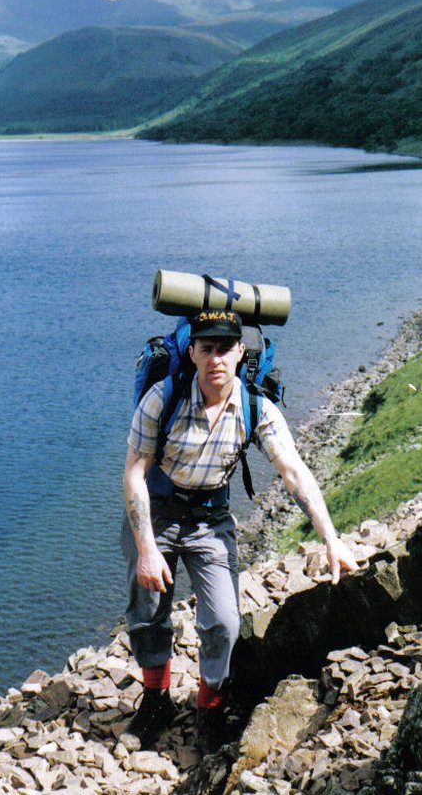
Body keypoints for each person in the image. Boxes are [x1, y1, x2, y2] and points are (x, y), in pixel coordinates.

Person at [121, 308, 358, 752]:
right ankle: (155, 699)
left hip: (210, 517)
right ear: (190, 352)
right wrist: (147, 549)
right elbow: (134, 474)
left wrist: (331, 538)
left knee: (225, 622)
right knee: (148, 606)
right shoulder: (162, 397)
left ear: (240, 351)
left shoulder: (255, 408)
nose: (216, 359)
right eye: (206, 348)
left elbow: (294, 472)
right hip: (158, 510)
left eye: (225, 348)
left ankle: (209, 706)